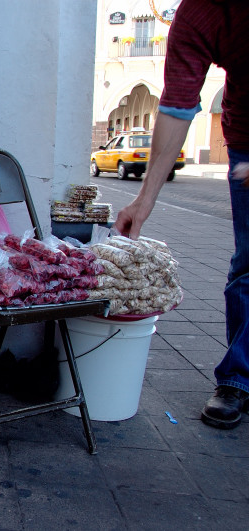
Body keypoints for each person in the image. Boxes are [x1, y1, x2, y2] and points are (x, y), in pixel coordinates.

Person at [114, 0, 249, 429]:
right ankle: (239, 379)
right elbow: (176, 106)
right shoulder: (199, 13)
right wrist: (144, 201)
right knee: (248, 264)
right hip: (245, 136)